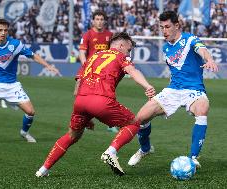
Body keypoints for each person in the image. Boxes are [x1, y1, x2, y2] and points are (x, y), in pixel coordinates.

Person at [35, 32, 156, 177]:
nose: (129, 53)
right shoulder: (120, 56)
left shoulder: (93, 57)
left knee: (72, 135)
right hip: (101, 101)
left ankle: (43, 170)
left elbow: (78, 84)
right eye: (129, 50)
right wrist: (147, 86)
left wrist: (87, 114)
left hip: (81, 101)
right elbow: (132, 71)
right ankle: (111, 152)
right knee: (134, 123)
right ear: (121, 45)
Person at [127, 11, 219, 168]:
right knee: (140, 118)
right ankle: (145, 149)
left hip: (193, 89)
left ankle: (193, 157)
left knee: (202, 109)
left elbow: (201, 49)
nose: (164, 31)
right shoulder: (166, 48)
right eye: (161, 27)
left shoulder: (190, 39)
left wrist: (209, 59)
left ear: (177, 25)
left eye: (167, 27)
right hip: (173, 90)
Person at [0, 18, 60, 145]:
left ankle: (24, 132)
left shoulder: (16, 45)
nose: (3, 33)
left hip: (12, 85)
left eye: (5, 30)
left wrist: (48, 66)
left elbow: (33, 55)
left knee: (31, 112)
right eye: (0, 30)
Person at [78, 10, 118, 133]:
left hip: (104, 72)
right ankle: (85, 122)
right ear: (93, 21)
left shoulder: (110, 35)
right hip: (89, 71)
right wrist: (86, 67)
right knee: (81, 96)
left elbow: (114, 52)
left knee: (108, 97)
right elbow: (81, 52)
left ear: (104, 21)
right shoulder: (87, 35)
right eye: (97, 19)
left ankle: (111, 124)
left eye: (101, 19)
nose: (99, 22)